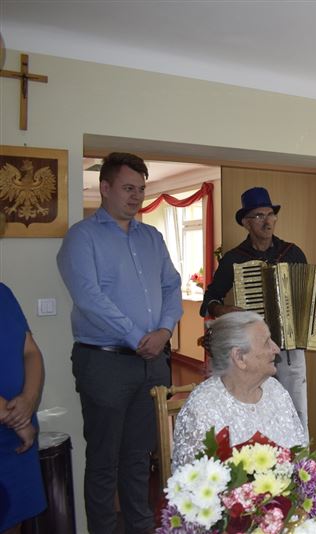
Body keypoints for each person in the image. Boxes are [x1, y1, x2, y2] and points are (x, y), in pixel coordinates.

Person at [57, 152, 183, 533]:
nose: (136, 197)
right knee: (103, 460)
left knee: (139, 457)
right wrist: (136, 337)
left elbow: (172, 286)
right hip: (105, 364)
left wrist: (164, 331)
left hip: (151, 363)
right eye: (128, 188)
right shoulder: (82, 237)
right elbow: (89, 298)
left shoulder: (152, 237)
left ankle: (141, 527)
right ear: (105, 187)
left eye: (141, 189)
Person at [201, 186, 316, 433]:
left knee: (296, 415)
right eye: (259, 216)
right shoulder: (234, 259)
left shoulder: (292, 252)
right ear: (246, 223)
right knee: (257, 413)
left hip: (291, 351)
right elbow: (209, 299)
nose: (267, 221)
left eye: (270, 214)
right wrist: (222, 309)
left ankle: (297, 457)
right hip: (252, 352)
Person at [171, 311, 307, 468]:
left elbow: (299, 455)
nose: (276, 349)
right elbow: (192, 478)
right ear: (239, 357)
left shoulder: (276, 390)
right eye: (267, 342)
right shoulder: (202, 407)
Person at [0, 214, 47, 533]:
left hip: (16, 437)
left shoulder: (3, 293)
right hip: (15, 427)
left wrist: (29, 399)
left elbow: (30, 351)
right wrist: (17, 420)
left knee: (15, 520)